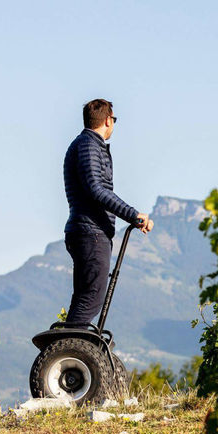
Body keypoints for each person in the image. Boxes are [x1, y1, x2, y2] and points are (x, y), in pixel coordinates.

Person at [62, 98, 153, 326]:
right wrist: (133, 214)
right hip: (90, 232)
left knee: (86, 299)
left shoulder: (86, 145)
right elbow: (95, 188)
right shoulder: (88, 145)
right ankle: (69, 352)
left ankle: (71, 350)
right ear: (107, 120)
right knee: (91, 299)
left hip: (87, 231)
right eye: (114, 120)